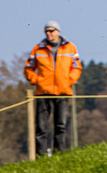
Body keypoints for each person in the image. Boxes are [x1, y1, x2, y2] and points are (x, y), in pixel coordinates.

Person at [24, 20, 82, 157]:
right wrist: (37, 81)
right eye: (46, 31)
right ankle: (41, 156)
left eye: (51, 31)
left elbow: (76, 67)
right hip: (43, 93)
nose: (49, 34)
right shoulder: (38, 49)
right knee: (41, 127)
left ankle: (59, 155)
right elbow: (28, 68)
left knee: (60, 125)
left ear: (58, 32)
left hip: (63, 92)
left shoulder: (71, 48)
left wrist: (69, 81)